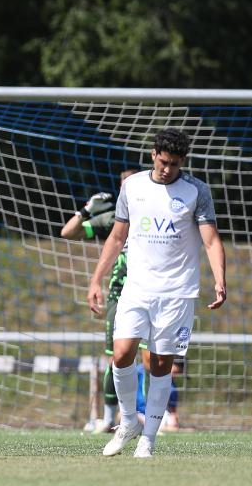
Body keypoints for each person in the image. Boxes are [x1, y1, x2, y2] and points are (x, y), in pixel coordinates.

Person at [87, 128, 226, 458]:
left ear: (183, 161)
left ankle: (148, 437)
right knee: (121, 353)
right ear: (153, 155)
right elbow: (117, 237)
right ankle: (127, 423)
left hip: (177, 293)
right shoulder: (132, 187)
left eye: (174, 164)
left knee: (161, 365)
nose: (167, 169)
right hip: (137, 289)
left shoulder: (196, 191)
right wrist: (95, 279)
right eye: (163, 162)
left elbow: (211, 240)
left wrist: (220, 280)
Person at [61, 167, 150, 433]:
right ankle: (110, 419)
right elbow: (68, 232)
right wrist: (86, 210)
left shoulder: (154, 213)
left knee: (151, 358)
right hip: (119, 295)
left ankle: (154, 417)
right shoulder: (113, 218)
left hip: (152, 293)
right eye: (125, 185)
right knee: (116, 358)